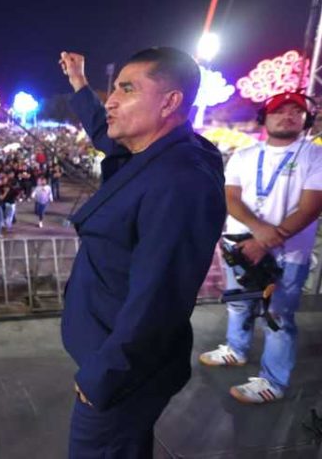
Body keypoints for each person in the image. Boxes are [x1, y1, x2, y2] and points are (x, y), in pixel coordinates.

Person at [59, 47, 226, 458]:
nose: (111, 100)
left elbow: (160, 301)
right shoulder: (150, 154)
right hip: (115, 360)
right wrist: (80, 83)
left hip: (122, 373)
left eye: (126, 89)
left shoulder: (180, 180)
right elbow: (105, 129)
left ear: (170, 102)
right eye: (112, 89)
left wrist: (102, 379)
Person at [199, 92, 322, 403]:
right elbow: (231, 197)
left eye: (297, 111)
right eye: (280, 110)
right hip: (239, 246)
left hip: (289, 254)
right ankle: (235, 349)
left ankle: (273, 381)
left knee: (278, 316)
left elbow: (311, 207)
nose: (289, 116)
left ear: (306, 120)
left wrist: (269, 238)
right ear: (265, 117)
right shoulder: (244, 155)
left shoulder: (314, 156)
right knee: (239, 302)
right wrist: (258, 232)